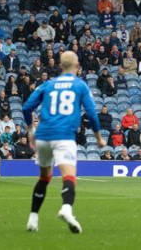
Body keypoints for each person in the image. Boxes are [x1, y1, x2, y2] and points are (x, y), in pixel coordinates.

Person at [22, 51, 105, 234]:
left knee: (44, 177)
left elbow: (27, 107)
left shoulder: (48, 84)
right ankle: (66, 209)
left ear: (60, 66)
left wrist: (30, 131)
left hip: (43, 136)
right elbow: (91, 114)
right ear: (77, 67)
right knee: (69, 176)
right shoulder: (80, 85)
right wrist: (98, 137)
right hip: (64, 136)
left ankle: (33, 218)